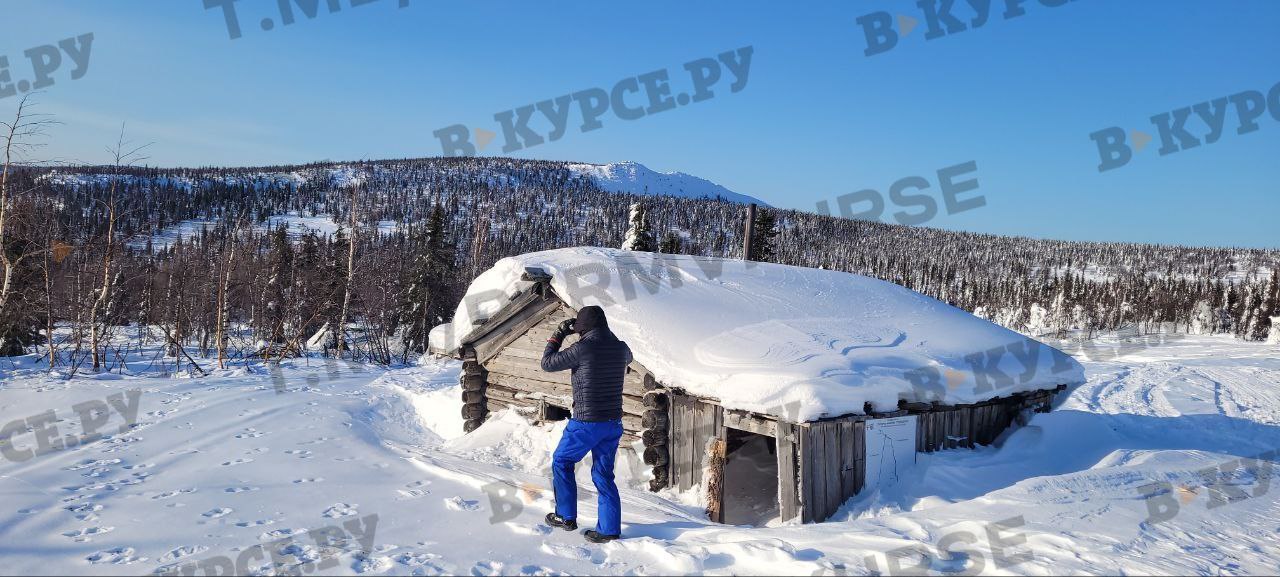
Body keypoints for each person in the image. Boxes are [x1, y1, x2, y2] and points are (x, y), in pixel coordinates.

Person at [540, 305, 632, 543]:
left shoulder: (582, 348)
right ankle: (608, 530)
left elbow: (547, 363)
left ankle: (565, 516)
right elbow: (628, 356)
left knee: (562, 460)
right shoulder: (621, 348)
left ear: (582, 328)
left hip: (586, 422)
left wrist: (558, 334)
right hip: (613, 423)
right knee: (603, 474)